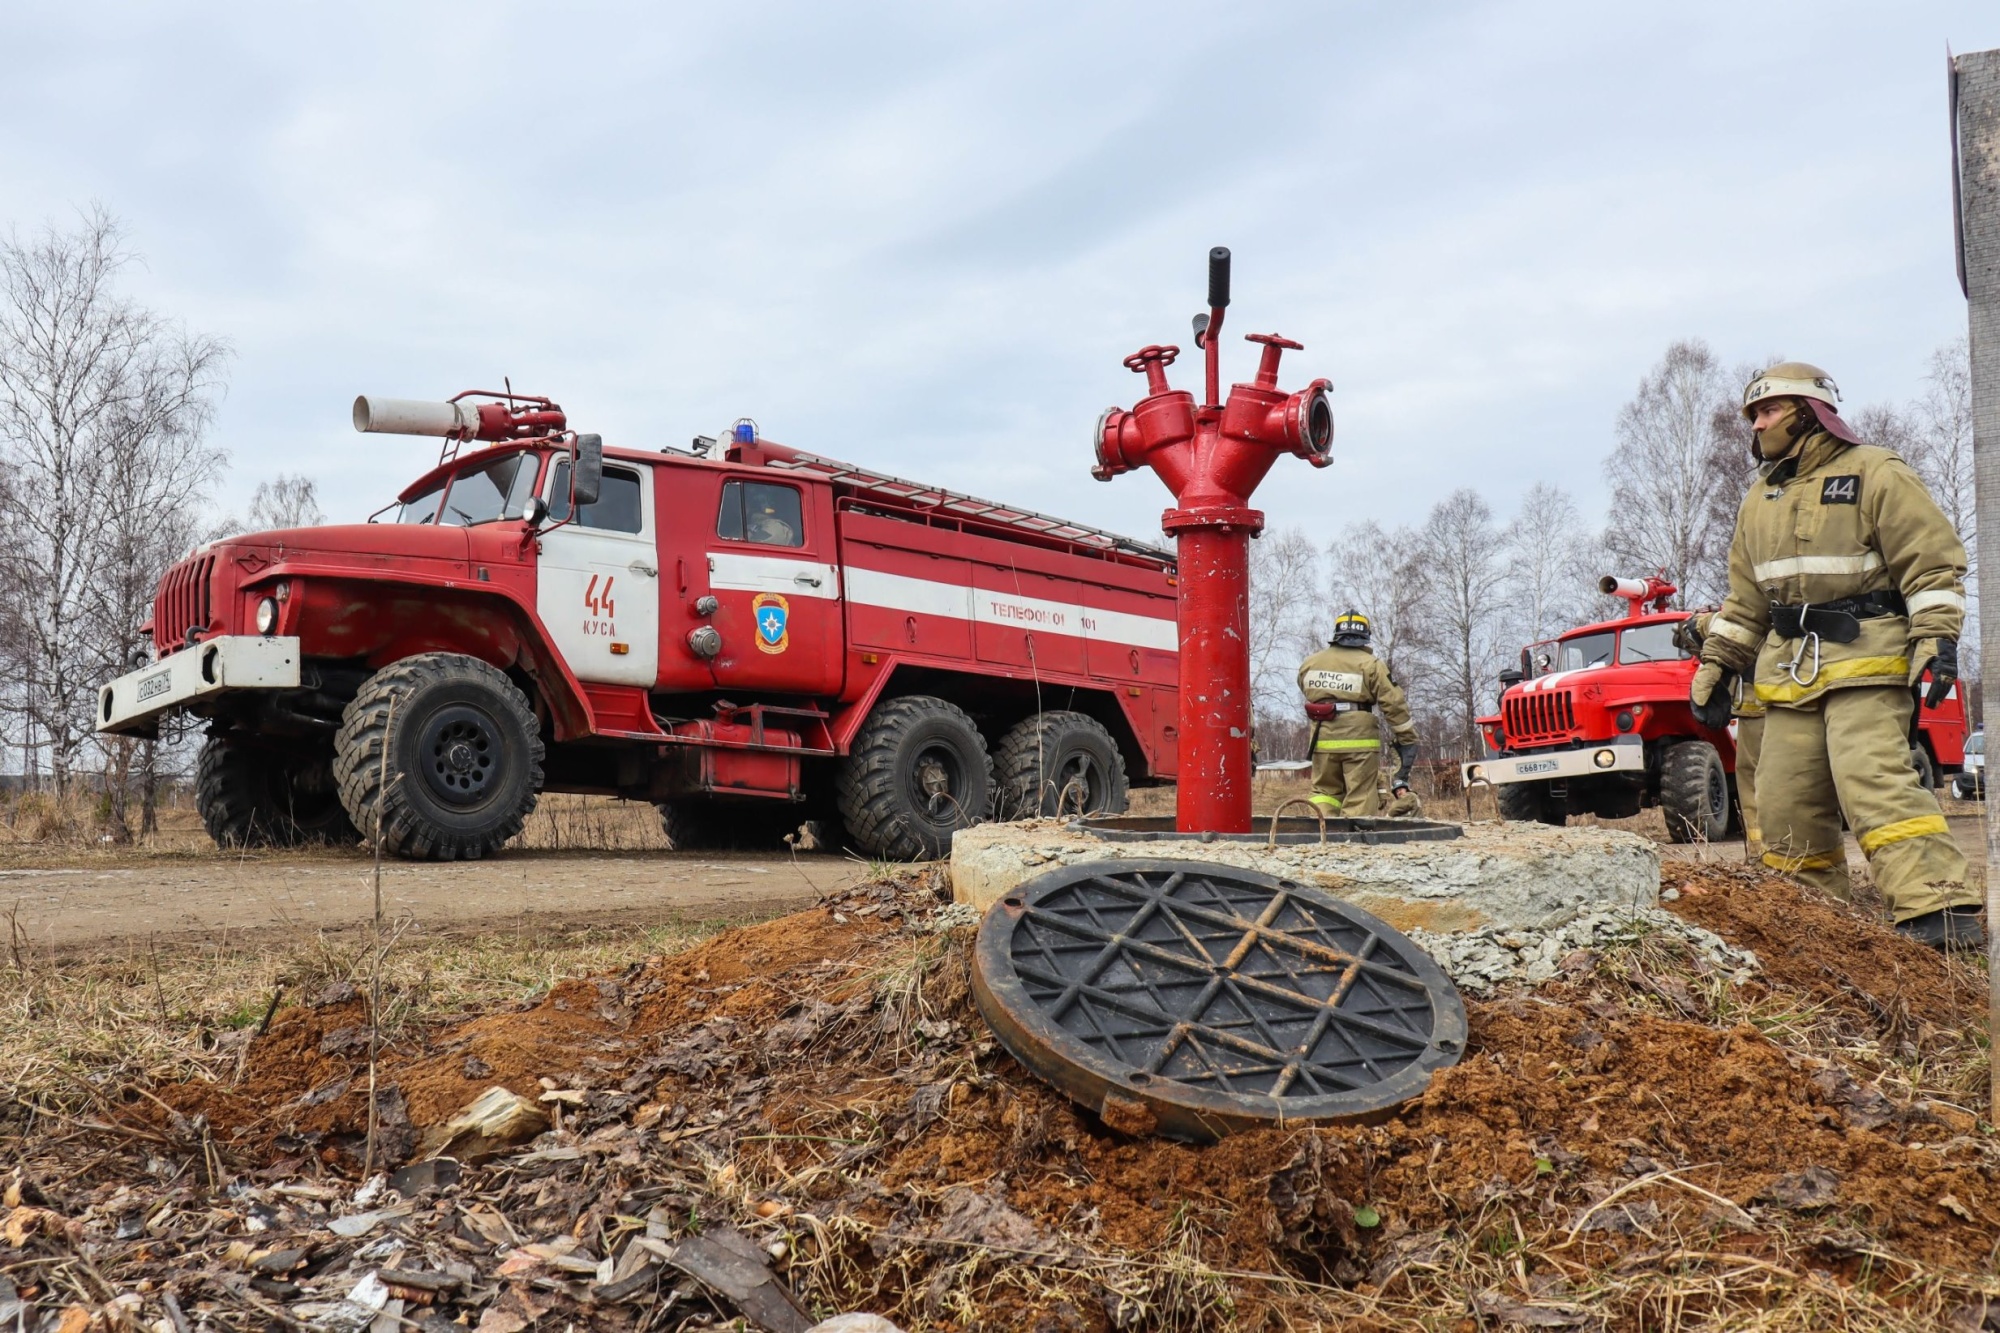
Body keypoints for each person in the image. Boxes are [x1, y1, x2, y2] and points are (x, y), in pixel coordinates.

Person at [1689, 362, 1981, 949]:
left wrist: (1936, 637)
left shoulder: (1876, 471)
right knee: (1784, 804)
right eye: (1753, 414)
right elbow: (1746, 602)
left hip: (1867, 659)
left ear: (1808, 409)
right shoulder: (1758, 499)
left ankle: (1940, 912)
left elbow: (1930, 562)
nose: (1758, 423)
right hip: (1789, 671)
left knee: (1871, 780)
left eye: (1767, 410)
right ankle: (1816, 930)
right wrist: (1718, 663)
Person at [1298, 610, 1418, 816]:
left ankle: (1324, 833)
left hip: (1322, 738)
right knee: (1360, 794)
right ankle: (1354, 841)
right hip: (1360, 742)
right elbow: (1394, 703)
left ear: (1337, 635)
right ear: (1365, 637)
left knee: (1324, 792)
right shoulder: (1371, 665)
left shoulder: (1311, 662)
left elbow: (1305, 687)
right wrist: (1406, 738)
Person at [1675, 612, 1766, 857]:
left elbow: (1737, 620)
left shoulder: (1737, 614)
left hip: (1759, 706)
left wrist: (1714, 660)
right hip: (1791, 700)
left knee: (1756, 784)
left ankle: (1765, 857)